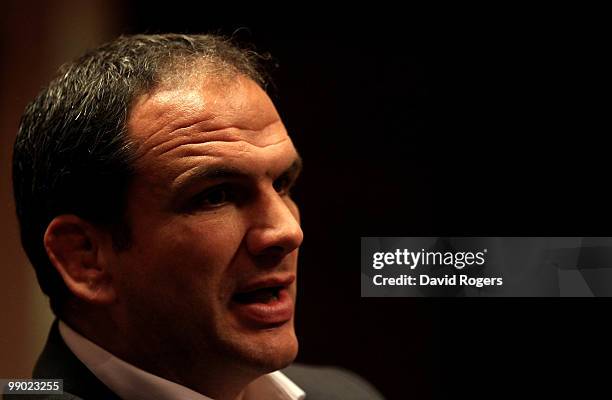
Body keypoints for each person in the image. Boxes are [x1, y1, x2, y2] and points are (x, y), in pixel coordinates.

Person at [10, 34, 383, 400]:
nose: (288, 231)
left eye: (282, 183)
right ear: (85, 258)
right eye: (216, 196)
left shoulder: (347, 393)